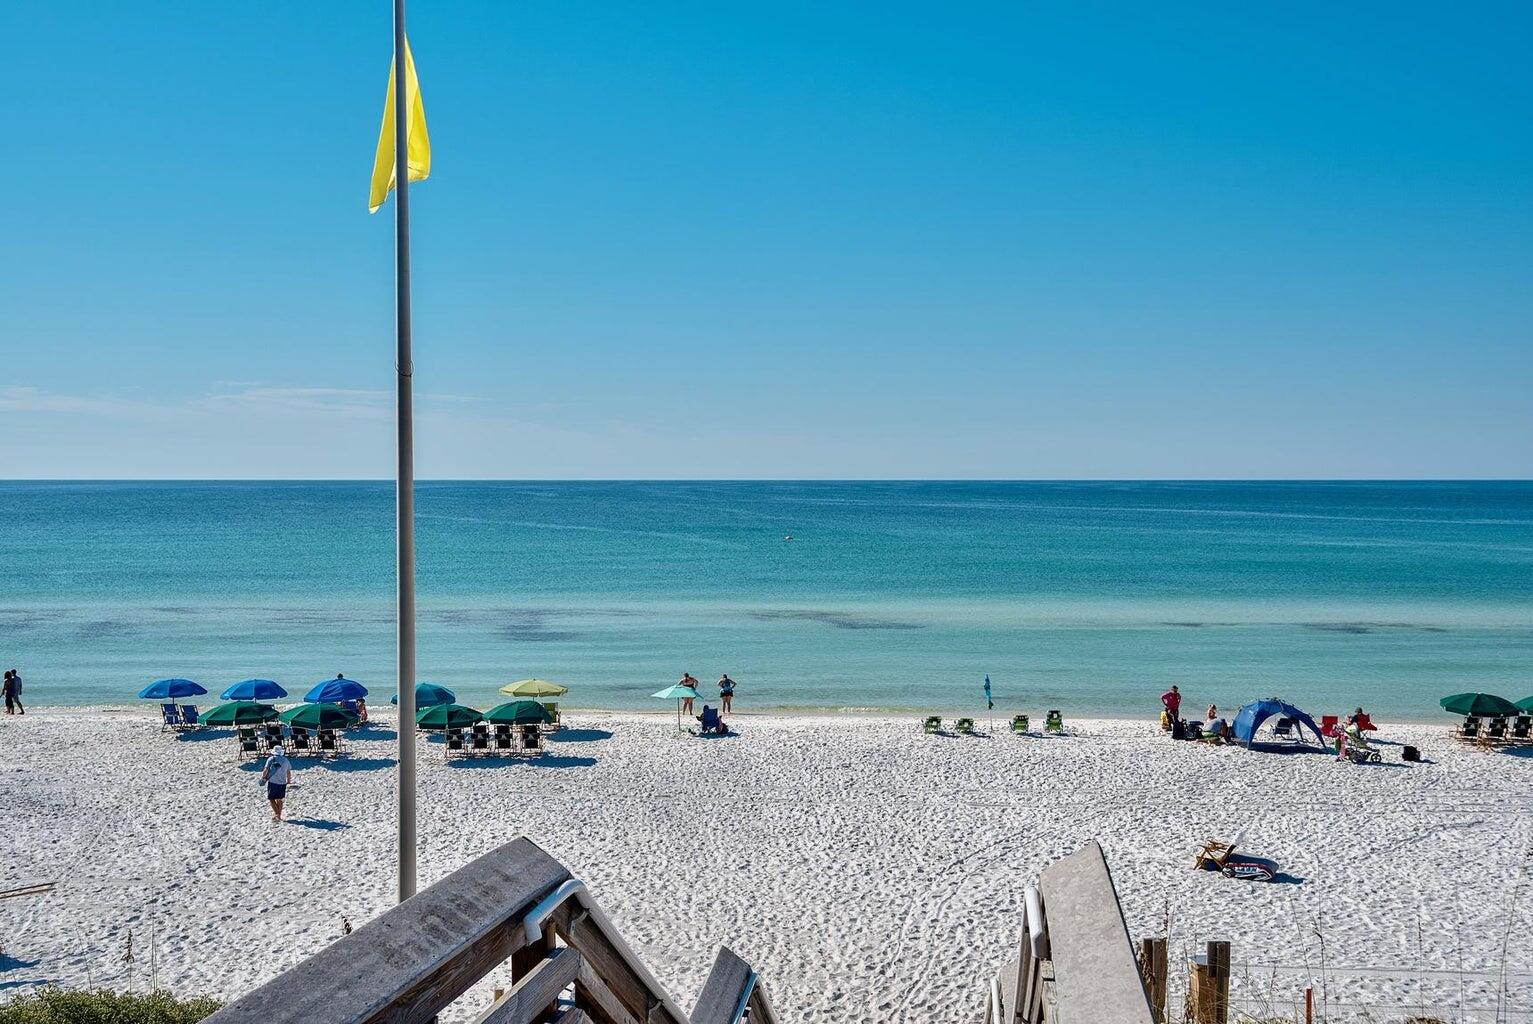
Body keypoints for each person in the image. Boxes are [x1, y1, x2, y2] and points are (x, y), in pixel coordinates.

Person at [262, 745, 296, 822]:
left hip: (273, 782)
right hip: (282, 782)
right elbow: (288, 772)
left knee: (271, 799)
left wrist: (263, 778)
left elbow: (266, 769)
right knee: (279, 799)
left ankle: (277, 814)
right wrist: (288, 781)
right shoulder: (285, 760)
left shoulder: (271, 759)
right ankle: (278, 816)